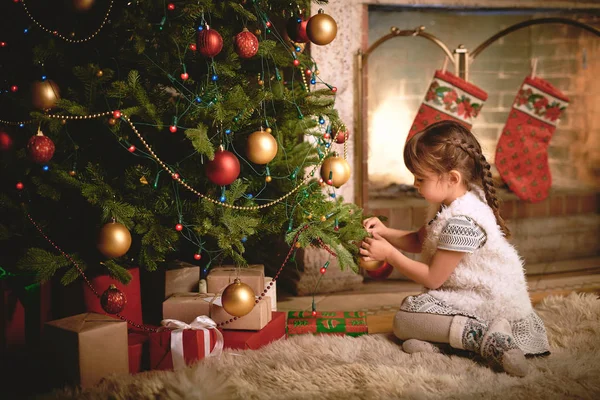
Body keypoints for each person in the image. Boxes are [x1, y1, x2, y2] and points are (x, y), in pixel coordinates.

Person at [359, 120, 549, 377]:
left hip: (490, 304)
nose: (415, 184)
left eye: (420, 178)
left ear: (452, 178)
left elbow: (433, 279)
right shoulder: (451, 202)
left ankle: (483, 338)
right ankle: (454, 342)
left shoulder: (463, 221)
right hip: (468, 295)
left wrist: (390, 255)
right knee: (410, 320)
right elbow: (420, 240)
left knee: (404, 320)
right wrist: (385, 232)